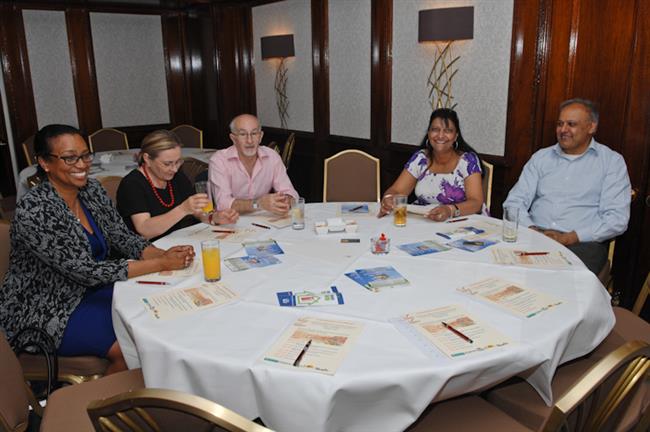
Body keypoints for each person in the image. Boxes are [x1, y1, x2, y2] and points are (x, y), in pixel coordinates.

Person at [0, 124, 196, 375]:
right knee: (131, 347)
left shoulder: (91, 190)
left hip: (95, 290)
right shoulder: (36, 210)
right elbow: (85, 271)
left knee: (159, 315)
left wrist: (163, 254)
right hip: (47, 307)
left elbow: (123, 237)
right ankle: (107, 399)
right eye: (70, 158)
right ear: (44, 162)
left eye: (85, 155)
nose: (82, 164)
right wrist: (161, 263)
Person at [503, 98, 631, 274]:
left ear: (591, 127)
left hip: (582, 243)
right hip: (534, 235)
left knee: (561, 283)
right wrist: (532, 230)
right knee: (503, 271)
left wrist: (570, 237)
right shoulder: (541, 158)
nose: (563, 130)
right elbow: (513, 203)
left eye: (571, 124)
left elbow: (617, 219)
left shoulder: (611, 162)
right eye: (560, 124)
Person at [117, 130, 238, 240]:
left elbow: (195, 210)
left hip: (174, 240)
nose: (174, 169)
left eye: (178, 162)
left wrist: (213, 218)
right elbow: (145, 230)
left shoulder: (175, 176)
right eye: (167, 164)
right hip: (144, 250)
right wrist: (183, 209)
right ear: (147, 159)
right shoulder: (132, 184)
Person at [379, 108, 486, 221]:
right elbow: (397, 190)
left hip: (462, 221)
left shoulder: (468, 161)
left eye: (448, 131)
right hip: (425, 220)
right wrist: (389, 198)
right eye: (435, 130)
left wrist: (449, 210)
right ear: (429, 133)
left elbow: (476, 202)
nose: (440, 135)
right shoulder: (420, 158)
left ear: (456, 136)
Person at [208, 114, 299, 215]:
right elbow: (223, 204)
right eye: (243, 134)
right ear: (233, 138)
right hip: (230, 219)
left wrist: (286, 200)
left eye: (254, 133)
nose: (249, 141)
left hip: (262, 219)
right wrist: (258, 204)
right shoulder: (219, 160)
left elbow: (291, 193)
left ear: (260, 136)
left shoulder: (272, 156)